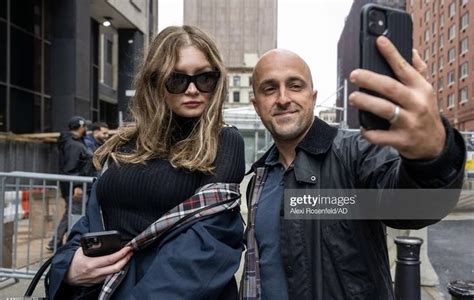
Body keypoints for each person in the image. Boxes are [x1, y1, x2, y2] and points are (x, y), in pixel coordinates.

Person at [240, 36, 466, 299]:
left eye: (295, 85)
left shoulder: (355, 153)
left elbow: (412, 205)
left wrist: (432, 154)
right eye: (269, 89)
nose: (283, 98)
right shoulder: (259, 178)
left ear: (312, 97)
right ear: (256, 106)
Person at [47, 25, 245, 299]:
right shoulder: (126, 142)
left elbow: (208, 243)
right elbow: (91, 221)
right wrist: (68, 267)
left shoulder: (223, 140)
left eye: (205, 78)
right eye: (177, 79)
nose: (192, 90)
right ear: (155, 81)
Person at [47, 116, 93, 251]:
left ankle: (56, 242)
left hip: (74, 185)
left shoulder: (74, 142)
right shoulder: (73, 145)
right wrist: (77, 186)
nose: (86, 129)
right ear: (80, 127)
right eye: (85, 127)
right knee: (74, 214)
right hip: (75, 187)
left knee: (71, 213)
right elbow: (71, 168)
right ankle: (66, 244)